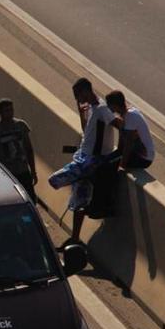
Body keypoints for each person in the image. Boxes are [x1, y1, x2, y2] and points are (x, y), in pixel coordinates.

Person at [50, 78, 115, 244]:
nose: (77, 99)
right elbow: (87, 132)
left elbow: (116, 123)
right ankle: (75, 238)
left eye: (77, 95)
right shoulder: (93, 109)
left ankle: (75, 235)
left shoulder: (102, 109)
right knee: (79, 201)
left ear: (85, 91)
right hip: (82, 156)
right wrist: (81, 113)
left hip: (88, 161)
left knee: (54, 180)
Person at [0, 98, 38, 204]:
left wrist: (33, 171)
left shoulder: (21, 126)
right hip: (8, 175)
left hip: (23, 172)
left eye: (11, 110)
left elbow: (29, 149)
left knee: (30, 202)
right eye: (7, 111)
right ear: (0, 113)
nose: (10, 113)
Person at [105, 90, 154, 169]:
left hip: (143, 158)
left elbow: (128, 144)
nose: (107, 107)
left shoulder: (130, 116)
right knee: (103, 160)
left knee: (107, 165)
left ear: (115, 105)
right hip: (134, 152)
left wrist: (122, 166)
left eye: (109, 105)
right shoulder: (124, 115)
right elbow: (121, 148)